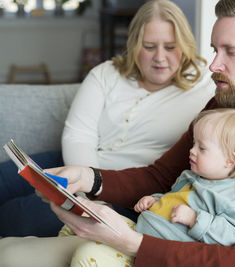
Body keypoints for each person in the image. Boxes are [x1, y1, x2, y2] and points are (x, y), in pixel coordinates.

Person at [0, 1, 235, 266]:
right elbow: (161, 175)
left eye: (231, 51)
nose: (213, 65)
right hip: (157, 242)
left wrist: (130, 243)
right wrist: (90, 178)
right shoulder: (220, 106)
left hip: (168, 252)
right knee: (10, 252)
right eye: (214, 49)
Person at [0, 0, 214, 237]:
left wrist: (96, 196)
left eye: (171, 47)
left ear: (184, 46)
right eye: (150, 46)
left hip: (127, 188)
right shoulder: (106, 73)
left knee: (18, 216)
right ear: (134, 45)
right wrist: (85, 188)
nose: (160, 57)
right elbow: (78, 136)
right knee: (4, 179)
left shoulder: (204, 87)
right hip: (73, 163)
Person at [61, 108, 235, 266]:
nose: (192, 151)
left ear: (230, 160)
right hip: (139, 230)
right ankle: (63, 245)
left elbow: (231, 235)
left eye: (202, 148)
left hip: (153, 253)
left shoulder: (231, 195)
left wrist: (194, 219)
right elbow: (171, 198)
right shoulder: (189, 176)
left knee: (87, 256)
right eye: (194, 144)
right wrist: (154, 200)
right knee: (84, 215)